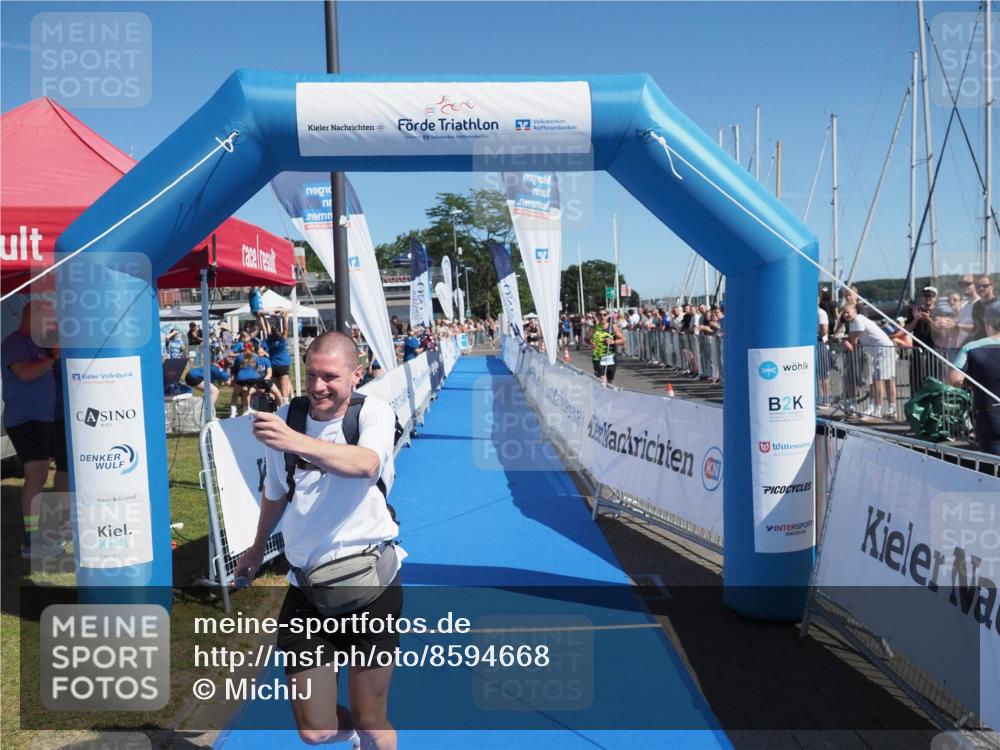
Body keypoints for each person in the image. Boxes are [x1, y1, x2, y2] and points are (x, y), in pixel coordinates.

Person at [233, 331, 401, 749]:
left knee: (370, 721)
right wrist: (255, 552)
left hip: (370, 587)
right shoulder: (288, 417)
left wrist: (296, 441)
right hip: (307, 592)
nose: (318, 386)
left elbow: (366, 465)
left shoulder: (371, 413)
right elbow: (276, 493)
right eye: (311, 375)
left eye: (331, 376)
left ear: (356, 375)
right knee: (316, 731)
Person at [1, 301, 68, 558]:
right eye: (47, 318)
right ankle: (31, 540)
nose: (51, 324)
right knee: (37, 474)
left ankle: (38, 536)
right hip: (25, 419)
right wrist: (52, 357)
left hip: (44, 418)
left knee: (41, 474)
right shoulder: (14, 342)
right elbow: (25, 374)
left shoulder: (42, 344)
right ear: (33, 318)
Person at [948, 299, 1000, 456]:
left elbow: (954, 379)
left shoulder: (972, 347)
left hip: (990, 415)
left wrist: (973, 380)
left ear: (987, 323)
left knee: (992, 468)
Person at [842, 305, 897, 419]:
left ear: (855, 311)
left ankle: (877, 410)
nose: (846, 315)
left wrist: (845, 341)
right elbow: (853, 341)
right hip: (881, 350)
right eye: (844, 313)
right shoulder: (854, 321)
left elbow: (853, 342)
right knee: (885, 379)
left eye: (848, 312)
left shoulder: (858, 320)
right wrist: (848, 341)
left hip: (883, 349)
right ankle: (890, 409)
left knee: (878, 379)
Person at [591, 308, 625, 384]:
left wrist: (613, 341)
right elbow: (586, 339)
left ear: (607, 316)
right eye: (600, 315)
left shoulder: (613, 327)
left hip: (611, 357)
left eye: (604, 315)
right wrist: (590, 343)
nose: (602, 317)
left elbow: (623, 341)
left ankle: (605, 393)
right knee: (602, 380)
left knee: (609, 381)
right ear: (597, 316)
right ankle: (602, 394)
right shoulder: (594, 328)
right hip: (598, 357)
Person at [267, 311, 294, 402]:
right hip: (283, 365)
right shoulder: (282, 341)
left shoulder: (269, 340)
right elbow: (286, 330)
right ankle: (285, 404)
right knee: (284, 388)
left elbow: (266, 328)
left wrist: (265, 319)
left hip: (273, 365)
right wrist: (285, 318)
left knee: (274, 388)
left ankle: (273, 405)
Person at [969, 274, 997, 342]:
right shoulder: (976, 305)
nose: (981, 288)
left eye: (985, 286)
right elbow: (975, 328)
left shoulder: (998, 304)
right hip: (980, 346)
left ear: (992, 286)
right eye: (978, 286)